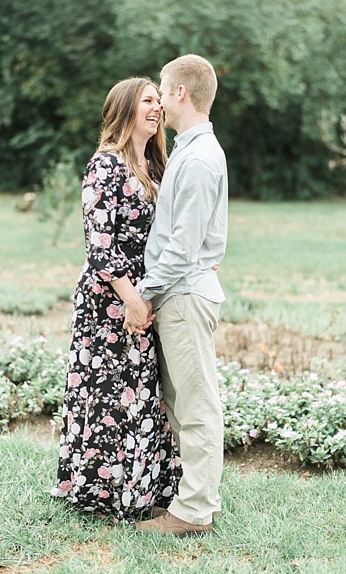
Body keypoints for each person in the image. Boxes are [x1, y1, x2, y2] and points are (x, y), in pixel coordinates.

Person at [51, 77, 180, 521]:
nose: (157, 108)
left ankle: (144, 489)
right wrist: (131, 299)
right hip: (110, 300)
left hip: (143, 296)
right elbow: (99, 245)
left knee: (142, 393)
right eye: (147, 100)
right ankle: (100, 492)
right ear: (125, 108)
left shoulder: (157, 165)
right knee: (106, 393)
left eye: (159, 101)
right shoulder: (105, 166)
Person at [132, 54, 228, 537]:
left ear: (181, 94)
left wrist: (143, 295)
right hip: (184, 292)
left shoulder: (196, 158)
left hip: (184, 295)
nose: (160, 104)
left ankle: (193, 513)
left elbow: (181, 248)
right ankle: (188, 502)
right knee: (183, 405)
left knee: (197, 407)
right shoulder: (194, 152)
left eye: (164, 93)